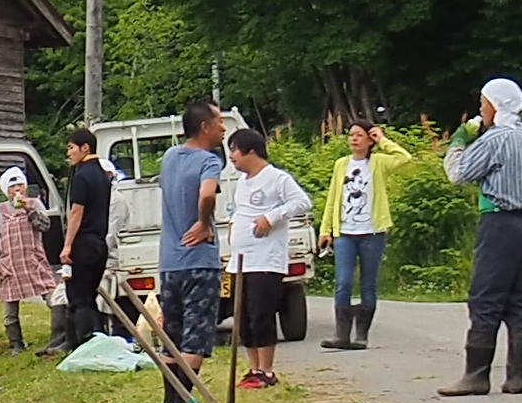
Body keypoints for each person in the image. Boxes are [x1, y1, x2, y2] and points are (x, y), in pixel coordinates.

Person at [439, 77, 522, 397]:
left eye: (483, 103)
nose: (480, 109)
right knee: (517, 302)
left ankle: (476, 375)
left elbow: (458, 174)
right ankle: (515, 377)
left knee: (484, 298)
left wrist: (460, 140)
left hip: (498, 223)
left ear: (495, 105)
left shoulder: (495, 140)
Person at [222, 123, 310, 386]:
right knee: (244, 316)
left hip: (265, 259)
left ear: (251, 151)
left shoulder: (276, 178)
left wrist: (271, 217)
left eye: (235, 150)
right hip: (241, 260)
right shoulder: (241, 181)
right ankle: (253, 368)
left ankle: (267, 369)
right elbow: (242, 209)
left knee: (262, 314)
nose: (231, 156)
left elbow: (301, 202)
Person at [154, 101, 229, 365]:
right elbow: (207, 192)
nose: (223, 127)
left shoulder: (170, 157)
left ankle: (170, 401)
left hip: (169, 263)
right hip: (198, 262)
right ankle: (184, 402)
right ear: (204, 127)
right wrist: (203, 222)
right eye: (219, 121)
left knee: (171, 339)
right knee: (195, 339)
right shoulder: (209, 160)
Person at [0, 156, 58, 351]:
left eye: (20, 186)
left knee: (53, 297)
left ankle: (60, 335)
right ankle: (16, 344)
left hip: (33, 261)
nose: (17, 190)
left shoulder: (35, 203)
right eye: (13, 187)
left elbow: (44, 225)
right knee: (9, 308)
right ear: (6, 191)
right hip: (9, 265)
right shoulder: (0, 210)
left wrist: (27, 208)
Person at [325, 120, 388, 350]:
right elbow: (333, 198)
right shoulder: (341, 164)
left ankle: (361, 335)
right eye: (351, 135)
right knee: (343, 282)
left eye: (360, 135)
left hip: (372, 232)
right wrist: (326, 230)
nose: (354, 139)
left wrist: (382, 140)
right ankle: (341, 334)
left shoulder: (378, 162)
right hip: (345, 232)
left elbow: (405, 159)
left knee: (367, 284)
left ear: (369, 140)